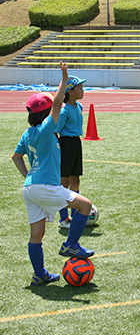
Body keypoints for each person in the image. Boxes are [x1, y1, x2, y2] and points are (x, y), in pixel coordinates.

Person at [12, 63, 95, 286]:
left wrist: (29, 176)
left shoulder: (28, 133)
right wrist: (64, 77)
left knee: (36, 235)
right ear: (46, 112)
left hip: (29, 189)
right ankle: (71, 244)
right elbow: (58, 103)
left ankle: (40, 274)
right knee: (85, 206)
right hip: (45, 187)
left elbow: (16, 157)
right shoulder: (46, 129)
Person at [55, 74, 87, 229]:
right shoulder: (64, 111)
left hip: (76, 143)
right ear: (71, 91)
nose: (83, 90)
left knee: (75, 180)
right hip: (66, 144)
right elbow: (56, 130)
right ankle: (63, 218)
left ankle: (75, 215)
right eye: (79, 88)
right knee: (64, 182)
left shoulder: (79, 107)